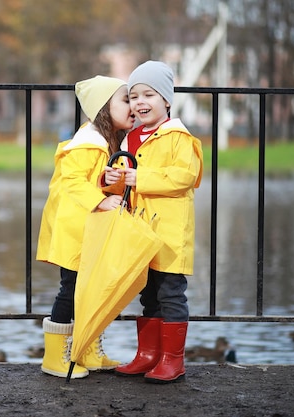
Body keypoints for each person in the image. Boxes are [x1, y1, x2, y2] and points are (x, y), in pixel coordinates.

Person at [103, 60, 203, 383]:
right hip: (142, 233)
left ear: (167, 100)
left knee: (171, 295)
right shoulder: (130, 139)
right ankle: (148, 355)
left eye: (149, 94)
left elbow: (184, 176)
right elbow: (124, 182)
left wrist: (139, 177)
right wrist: (111, 181)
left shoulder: (178, 137)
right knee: (148, 295)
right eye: (134, 97)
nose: (140, 103)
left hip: (171, 234)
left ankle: (173, 360)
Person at [36, 75, 136, 379]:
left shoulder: (103, 142)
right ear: (104, 108)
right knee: (71, 289)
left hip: (87, 229)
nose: (133, 106)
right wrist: (100, 200)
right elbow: (71, 182)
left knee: (91, 291)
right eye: (126, 100)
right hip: (75, 230)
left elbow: (92, 181)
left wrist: (107, 187)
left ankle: (87, 351)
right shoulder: (88, 143)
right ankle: (55, 358)